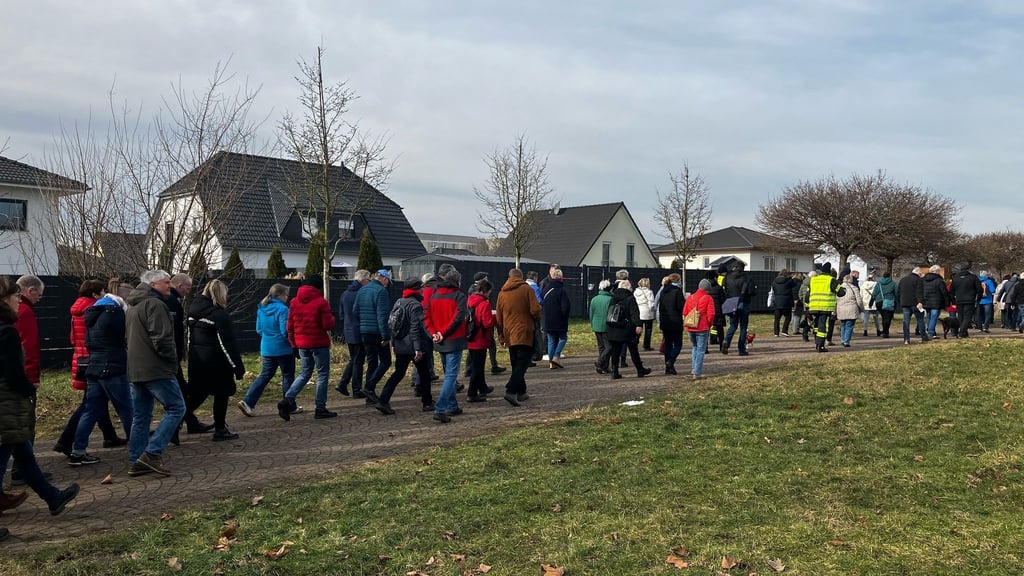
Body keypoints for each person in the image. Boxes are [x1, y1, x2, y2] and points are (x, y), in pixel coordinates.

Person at [0, 276, 81, 517]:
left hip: (7, 405)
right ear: (4, 300)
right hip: (7, 404)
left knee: (23, 452)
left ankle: (53, 497)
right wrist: (28, 388)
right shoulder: (7, 332)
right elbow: (13, 372)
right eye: (15, 296)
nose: (19, 301)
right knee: (4, 455)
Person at [54, 279, 125, 460]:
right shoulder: (97, 309)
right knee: (90, 405)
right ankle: (66, 440)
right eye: (102, 292)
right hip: (98, 359)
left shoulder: (76, 310)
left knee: (94, 403)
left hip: (83, 359)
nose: (104, 295)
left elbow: (73, 337)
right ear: (95, 294)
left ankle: (108, 436)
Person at [126, 270, 186, 477]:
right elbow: (162, 339)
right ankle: (152, 454)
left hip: (135, 368)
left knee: (141, 416)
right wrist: (173, 362)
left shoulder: (132, 306)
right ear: (153, 285)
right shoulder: (155, 305)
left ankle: (136, 460)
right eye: (166, 282)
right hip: (156, 368)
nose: (170, 285)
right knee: (177, 408)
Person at [69, 283, 135, 466]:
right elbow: (125, 336)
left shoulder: (91, 315)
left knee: (91, 410)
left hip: (94, 367)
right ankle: (138, 450)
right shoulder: (115, 313)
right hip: (113, 367)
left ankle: (78, 450)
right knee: (127, 409)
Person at [187, 279, 246, 441]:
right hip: (217, 363)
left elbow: (189, 340)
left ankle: (172, 423)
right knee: (221, 394)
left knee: (197, 395)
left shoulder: (192, 312)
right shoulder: (219, 315)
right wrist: (238, 367)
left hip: (198, 361)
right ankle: (220, 429)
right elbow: (227, 344)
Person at [280, 274, 337, 420]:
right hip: (319, 344)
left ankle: (287, 399)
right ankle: (320, 407)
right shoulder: (321, 302)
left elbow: (290, 326)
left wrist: (293, 345)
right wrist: (332, 317)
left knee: (304, 373)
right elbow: (328, 325)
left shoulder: (294, 302)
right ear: (319, 287)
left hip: (301, 344)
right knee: (322, 374)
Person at [376, 278, 434, 414]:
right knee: (424, 374)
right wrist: (418, 348)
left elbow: (393, 325)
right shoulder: (416, 305)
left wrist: (394, 343)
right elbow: (415, 328)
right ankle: (427, 402)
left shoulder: (399, 302)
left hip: (401, 345)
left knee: (398, 373)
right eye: (421, 287)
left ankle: (383, 400)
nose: (423, 290)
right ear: (417, 289)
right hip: (413, 346)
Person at [165, 273, 214, 437]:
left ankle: (188, 422)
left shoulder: (172, 300)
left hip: (173, 353)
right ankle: (175, 424)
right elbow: (173, 330)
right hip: (171, 354)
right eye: (188, 287)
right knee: (182, 392)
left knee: (182, 391)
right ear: (179, 285)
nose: (188, 291)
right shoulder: (171, 301)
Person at [239, 284, 293, 416]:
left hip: (267, 348)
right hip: (283, 349)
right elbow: (284, 331)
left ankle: (248, 401)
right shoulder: (283, 309)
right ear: (280, 295)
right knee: (287, 377)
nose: (287, 297)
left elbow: (259, 330)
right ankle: (289, 404)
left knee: (264, 375)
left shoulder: (261, 308)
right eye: (286, 295)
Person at [423, 266, 468, 423]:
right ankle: (440, 408)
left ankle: (452, 405)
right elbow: (458, 317)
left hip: (439, 340)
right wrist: (444, 332)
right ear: (458, 281)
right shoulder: (459, 296)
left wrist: (433, 333)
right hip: (453, 339)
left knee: (447, 373)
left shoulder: (434, 295)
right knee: (450, 376)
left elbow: (426, 316)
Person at [496, 268, 542, 407]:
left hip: (509, 333)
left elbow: (498, 317)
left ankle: (522, 392)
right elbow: (535, 310)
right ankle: (511, 390)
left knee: (515, 362)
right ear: (521, 277)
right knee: (522, 363)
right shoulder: (526, 290)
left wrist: (501, 335)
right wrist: (538, 317)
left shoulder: (502, 293)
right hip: (524, 332)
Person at [354, 270, 393, 405]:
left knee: (372, 362)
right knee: (386, 361)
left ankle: (369, 395)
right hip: (377, 332)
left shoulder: (362, 290)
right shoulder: (381, 292)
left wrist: (363, 324)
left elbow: (355, 311)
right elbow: (382, 316)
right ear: (383, 279)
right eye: (388, 281)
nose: (388, 284)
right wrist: (385, 335)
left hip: (364, 331)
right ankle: (369, 387)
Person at [606, 279, 651, 379]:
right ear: (627, 288)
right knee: (633, 350)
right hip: (627, 328)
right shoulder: (630, 298)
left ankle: (614, 371)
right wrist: (638, 325)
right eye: (630, 286)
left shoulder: (613, 298)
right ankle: (640, 370)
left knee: (615, 351)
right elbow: (634, 313)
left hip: (614, 327)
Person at [337, 269, 370, 397]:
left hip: (348, 329)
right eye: (368, 279)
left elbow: (341, 314)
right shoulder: (362, 294)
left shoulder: (344, 294)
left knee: (354, 359)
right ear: (363, 280)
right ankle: (356, 389)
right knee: (358, 361)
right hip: (360, 330)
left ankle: (343, 383)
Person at [466, 279, 496, 402]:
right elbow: (487, 323)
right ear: (486, 291)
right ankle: (472, 393)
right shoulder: (485, 304)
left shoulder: (470, 301)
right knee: (478, 367)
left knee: (476, 364)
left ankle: (482, 387)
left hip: (471, 337)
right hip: (481, 338)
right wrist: (495, 318)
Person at [683, 278, 716, 379]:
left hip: (690, 326)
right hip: (702, 327)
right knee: (701, 350)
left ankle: (694, 368)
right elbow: (711, 314)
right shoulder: (708, 298)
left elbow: (684, 312)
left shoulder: (690, 297)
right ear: (707, 289)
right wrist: (709, 325)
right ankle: (697, 372)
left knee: (695, 347)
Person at [808, 263, 844, 353]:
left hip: (813, 306)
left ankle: (817, 343)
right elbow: (841, 293)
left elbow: (807, 295)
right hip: (825, 307)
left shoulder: (813, 280)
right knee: (823, 326)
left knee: (816, 325)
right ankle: (821, 346)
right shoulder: (831, 280)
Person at [722, 261, 755, 356]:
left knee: (733, 325)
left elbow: (725, 291)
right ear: (743, 268)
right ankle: (741, 349)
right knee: (743, 327)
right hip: (743, 303)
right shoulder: (747, 278)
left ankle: (726, 341)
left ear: (734, 267)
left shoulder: (727, 277)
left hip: (732, 303)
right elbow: (752, 291)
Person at [541, 269, 571, 369]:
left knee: (550, 339)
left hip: (547, 319)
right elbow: (565, 307)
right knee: (563, 338)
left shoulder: (546, 289)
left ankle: (551, 363)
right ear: (561, 278)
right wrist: (565, 316)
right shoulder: (562, 291)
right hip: (559, 320)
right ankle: (556, 356)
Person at [657, 273, 685, 375]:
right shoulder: (677, 291)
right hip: (675, 321)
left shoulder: (663, 291)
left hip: (665, 321)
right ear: (678, 280)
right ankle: (671, 361)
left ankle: (668, 367)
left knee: (668, 344)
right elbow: (680, 307)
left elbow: (660, 307)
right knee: (678, 344)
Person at [948, 263, 982, 338]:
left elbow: (951, 291)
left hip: (959, 300)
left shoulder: (955, 278)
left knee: (961, 317)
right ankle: (962, 331)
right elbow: (979, 289)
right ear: (968, 269)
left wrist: (953, 301)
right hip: (970, 300)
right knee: (968, 317)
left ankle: (964, 333)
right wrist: (978, 299)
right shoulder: (973, 278)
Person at [589, 280, 613, 374]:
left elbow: (591, 313)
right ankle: (601, 362)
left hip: (596, 325)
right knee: (609, 347)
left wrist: (592, 324)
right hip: (606, 326)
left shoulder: (594, 299)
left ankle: (603, 367)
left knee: (601, 347)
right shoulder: (610, 299)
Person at [898, 267, 927, 345]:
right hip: (915, 303)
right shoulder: (918, 280)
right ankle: (923, 337)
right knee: (920, 320)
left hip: (905, 303)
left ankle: (906, 339)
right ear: (918, 273)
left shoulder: (903, 279)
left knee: (906, 321)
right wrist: (920, 301)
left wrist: (900, 301)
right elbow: (919, 292)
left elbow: (899, 291)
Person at [836, 273, 864, 347]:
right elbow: (859, 300)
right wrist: (861, 308)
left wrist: (835, 310)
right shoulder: (854, 288)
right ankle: (846, 341)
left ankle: (842, 339)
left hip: (841, 309)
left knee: (843, 324)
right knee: (849, 325)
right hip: (851, 308)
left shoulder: (838, 288)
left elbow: (836, 300)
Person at [921, 265, 949, 339]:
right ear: (937, 271)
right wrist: (947, 302)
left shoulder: (923, 280)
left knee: (929, 317)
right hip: (936, 302)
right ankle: (931, 332)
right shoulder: (939, 281)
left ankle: (929, 331)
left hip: (926, 301)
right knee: (934, 317)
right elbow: (944, 292)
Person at [869, 271, 898, 338]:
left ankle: (885, 331)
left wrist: (871, 303)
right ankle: (886, 331)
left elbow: (874, 294)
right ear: (890, 276)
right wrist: (897, 301)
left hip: (879, 302)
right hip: (890, 302)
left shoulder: (879, 284)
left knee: (884, 317)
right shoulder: (893, 284)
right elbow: (896, 293)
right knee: (888, 317)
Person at [771, 269, 796, 337]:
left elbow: (773, 289)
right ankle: (784, 331)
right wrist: (791, 278)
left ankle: (776, 333)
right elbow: (794, 284)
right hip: (787, 301)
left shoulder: (775, 281)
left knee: (777, 319)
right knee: (788, 317)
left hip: (777, 301)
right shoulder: (789, 281)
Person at [525, 270, 544, 362]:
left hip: (524, 314)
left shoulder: (523, 286)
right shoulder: (535, 288)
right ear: (535, 278)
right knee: (536, 334)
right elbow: (539, 301)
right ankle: (536, 353)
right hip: (533, 314)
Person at [634, 278, 656, 350]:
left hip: (639, 310)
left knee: (638, 328)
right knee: (648, 330)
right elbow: (651, 303)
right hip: (647, 312)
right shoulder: (649, 292)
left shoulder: (636, 291)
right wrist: (653, 309)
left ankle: (635, 342)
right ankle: (646, 345)